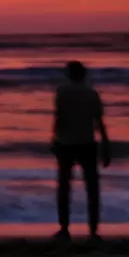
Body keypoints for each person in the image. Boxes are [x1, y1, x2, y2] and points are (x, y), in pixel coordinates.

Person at [51, 60, 110, 240]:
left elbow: (59, 120)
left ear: (69, 75)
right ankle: (93, 231)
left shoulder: (61, 93)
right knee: (92, 188)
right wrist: (106, 144)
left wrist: (54, 139)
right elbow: (99, 122)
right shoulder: (92, 94)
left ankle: (64, 228)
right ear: (84, 75)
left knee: (64, 187)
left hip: (66, 143)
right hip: (87, 143)